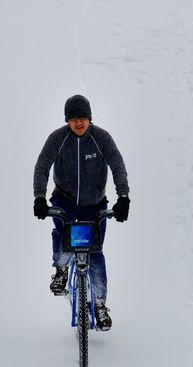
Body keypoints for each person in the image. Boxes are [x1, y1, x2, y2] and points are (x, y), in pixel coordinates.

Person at [33, 94, 130, 331]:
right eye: (74, 118)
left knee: (95, 253)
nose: (79, 123)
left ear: (89, 118)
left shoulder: (101, 139)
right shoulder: (57, 139)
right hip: (65, 200)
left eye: (83, 118)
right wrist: (39, 197)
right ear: (67, 120)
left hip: (95, 204)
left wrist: (123, 197)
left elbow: (117, 166)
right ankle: (62, 269)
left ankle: (99, 304)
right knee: (63, 233)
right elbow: (42, 167)